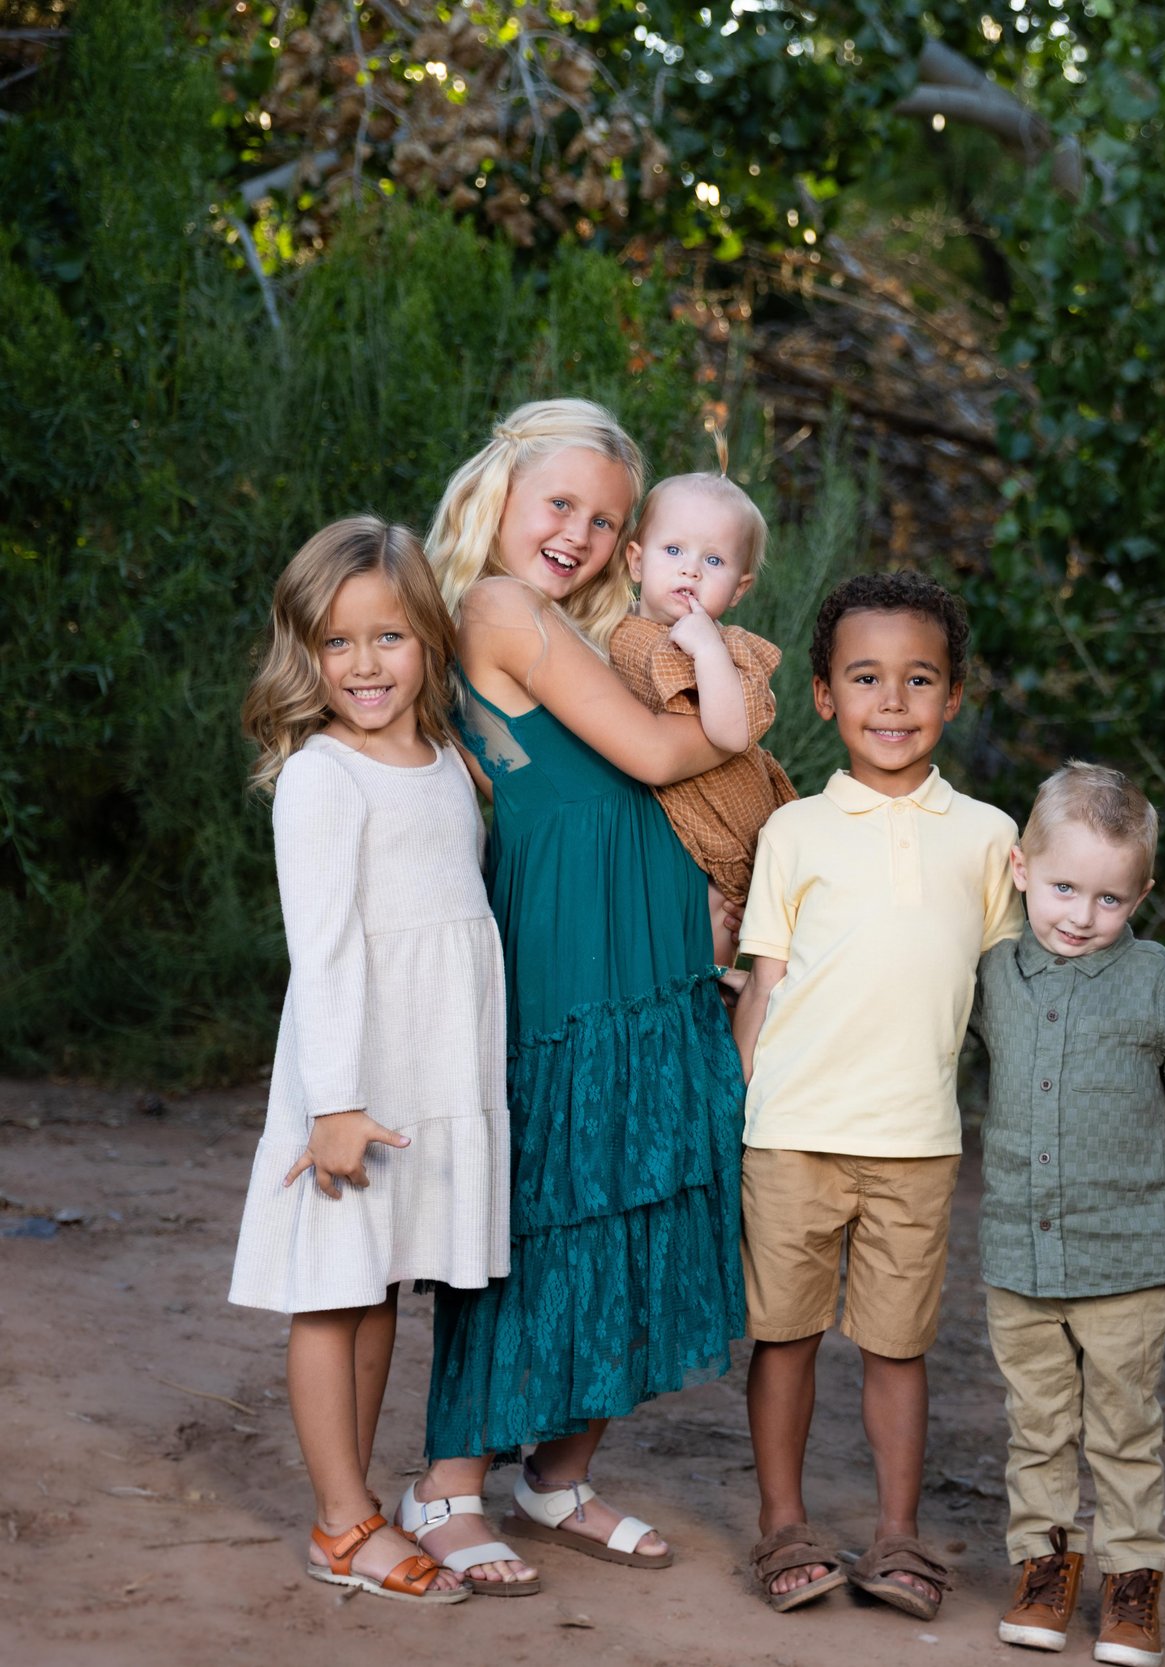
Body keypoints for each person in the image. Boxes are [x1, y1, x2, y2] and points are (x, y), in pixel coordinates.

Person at [403, 398, 750, 1594]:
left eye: (607, 522)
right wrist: (738, 709)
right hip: (569, 939)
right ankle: (446, 1482)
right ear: (498, 488)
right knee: (546, 1193)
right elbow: (659, 756)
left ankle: (556, 1471)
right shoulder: (496, 606)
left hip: (646, 937)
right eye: (561, 503)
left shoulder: (571, 620)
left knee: (646, 1180)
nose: (581, 534)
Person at [731, 572, 1022, 1617]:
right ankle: (782, 1525)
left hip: (917, 1139)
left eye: (917, 679)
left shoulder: (990, 835)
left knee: (898, 1340)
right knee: (786, 1332)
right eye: (865, 677)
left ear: (953, 696)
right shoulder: (796, 831)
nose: (891, 702)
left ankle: (898, 1536)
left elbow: (1014, 992)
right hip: (793, 1132)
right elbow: (764, 981)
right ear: (822, 695)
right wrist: (736, 1104)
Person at [229, 515, 505, 1606]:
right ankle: (341, 1519)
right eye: (337, 644)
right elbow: (328, 945)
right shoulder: (321, 777)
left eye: (387, 637)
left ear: (428, 638)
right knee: (330, 1293)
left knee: (383, 1282)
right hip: (356, 1075)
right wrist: (335, 1102)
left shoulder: (447, 760)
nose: (364, 665)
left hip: (431, 1066)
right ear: (306, 655)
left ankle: (362, 1505)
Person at [973, 762, 1165, 1667]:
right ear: (1021, 868)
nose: (1080, 913)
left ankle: (1133, 1581)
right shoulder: (993, 972)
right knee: (1037, 1419)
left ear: (1140, 895)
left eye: (1109, 898)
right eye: (1064, 887)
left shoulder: (1152, 977)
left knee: (1123, 1424)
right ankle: (1043, 1567)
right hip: (1020, 1248)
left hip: (1129, 1256)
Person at [607, 472, 797, 984]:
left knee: (703, 966)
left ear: (739, 589)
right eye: (674, 550)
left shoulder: (728, 650)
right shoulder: (607, 636)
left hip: (728, 843)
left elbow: (732, 734)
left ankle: (714, 1003)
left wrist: (707, 647)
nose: (690, 570)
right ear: (636, 560)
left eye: (713, 561)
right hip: (658, 835)